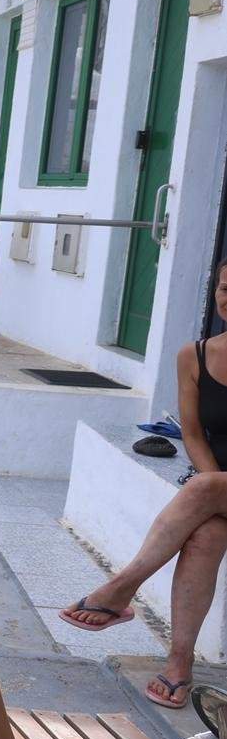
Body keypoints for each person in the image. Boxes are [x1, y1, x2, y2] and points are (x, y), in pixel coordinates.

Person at [59, 261, 227, 709]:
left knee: (202, 490)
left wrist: (210, 486)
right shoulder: (193, 355)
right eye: (226, 289)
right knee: (206, 532)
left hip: (215, 489)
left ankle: (120, 589)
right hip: (219, 488)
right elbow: (191, 432)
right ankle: (178, 665)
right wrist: (213, 483)